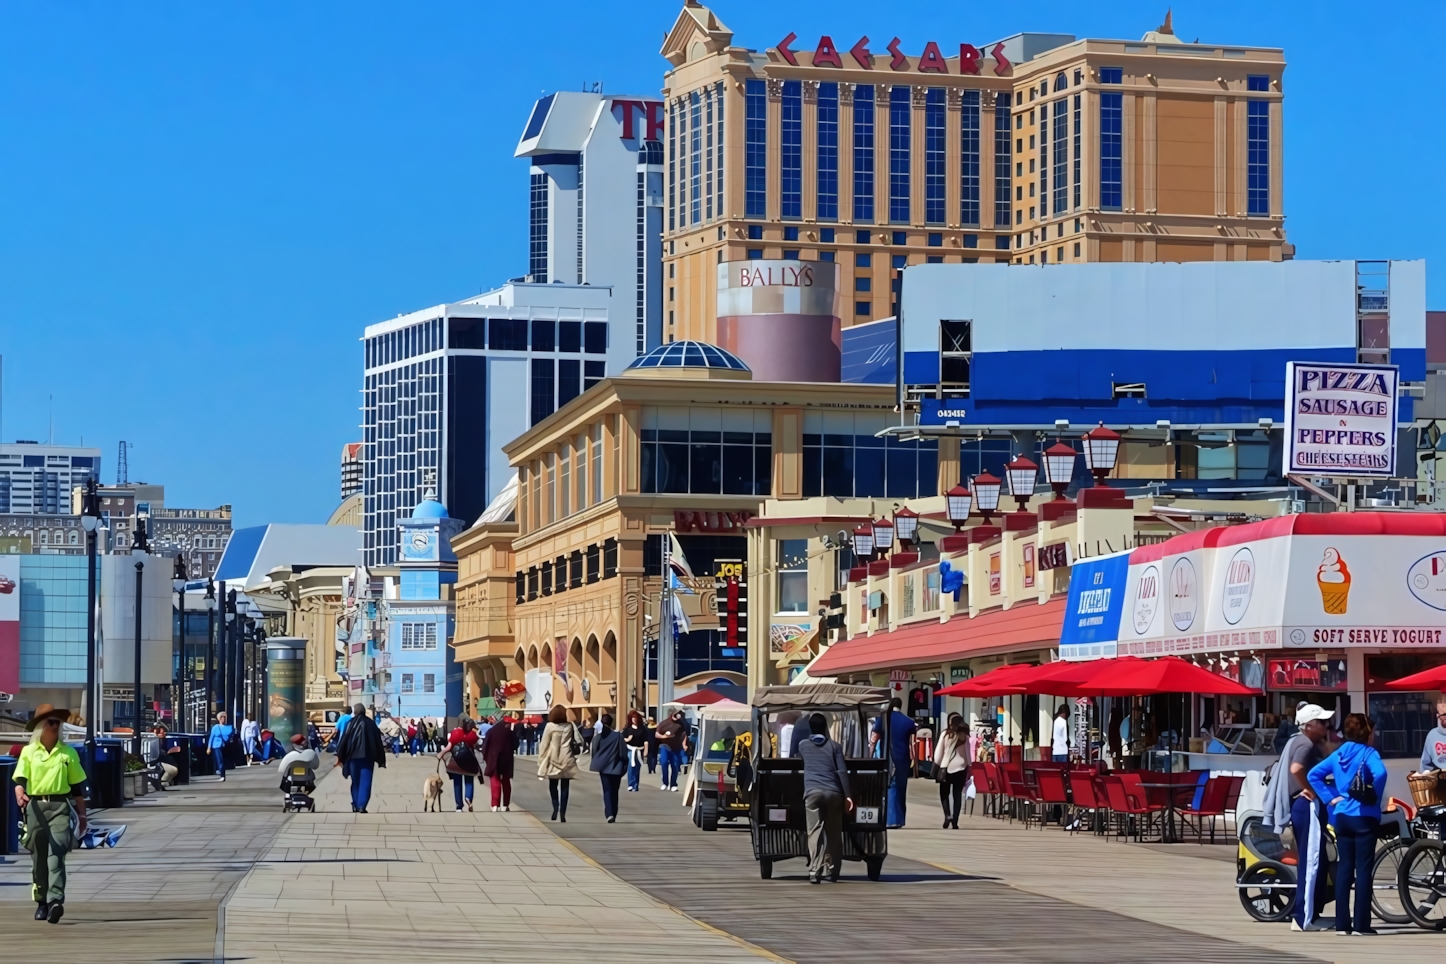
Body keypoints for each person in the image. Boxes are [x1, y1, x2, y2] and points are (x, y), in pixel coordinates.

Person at [1308, 712, 1388, 936]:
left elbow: (1314, 775)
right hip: (1365, 817)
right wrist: (1373, 794)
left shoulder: (1339, 753)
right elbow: (1380, 773)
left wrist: (1330, 798)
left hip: (1342, 817)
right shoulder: (1369, 753)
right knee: (1363, 871)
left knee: (1344, 868)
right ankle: (1362, 924)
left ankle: (1343, 924)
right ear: (1366, 733)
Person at [13, 704, 88, 923]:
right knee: (39, 858)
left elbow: (77, 788)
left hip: (59, 807)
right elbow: (20, 779)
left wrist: (83, 817)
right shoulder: (29, 752)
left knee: (57, 854)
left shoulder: (68, 753)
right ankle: (41, 901)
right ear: (40, 726)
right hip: (35, 807)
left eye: (57, 722)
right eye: (50, 722)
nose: (54, 726)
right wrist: (19, 792)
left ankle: (56, 900)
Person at [1262, 703, 1334, 931]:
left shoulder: (1296, 739)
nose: (1326, 725)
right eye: (1322, 722)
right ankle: (1303, 917)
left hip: (1299, 805)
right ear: (1309, 725)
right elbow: (1295, 769)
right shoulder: (1304, 743)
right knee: (1311, 860)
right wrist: (1309, 789)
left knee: (1314, 858)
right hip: (1306, 805)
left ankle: (1310, 914)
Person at [797, 713, 853, 884]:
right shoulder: (835, 747)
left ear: (811, 728)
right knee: (834, 833)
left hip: (813, 793)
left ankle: (815, 870)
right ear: (826, 727)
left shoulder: (803, 745)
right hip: (834, 793)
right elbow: (842, 772)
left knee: (815, 832)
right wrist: (848, 796)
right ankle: (832, 869)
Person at [869, 698, 917, 829]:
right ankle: (900, 819)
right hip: (903, 759)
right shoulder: (908, 722)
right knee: (901, 788)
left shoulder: (883, 719)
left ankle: (890, 819)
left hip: (888, 757)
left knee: (890, 787)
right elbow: (913, 741)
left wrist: (870, 755)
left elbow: (874, 739)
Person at [335, 704, 387, 813]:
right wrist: (381, 759)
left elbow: (344, 740)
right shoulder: (371, 724)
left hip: (352, 757)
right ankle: (361, 805)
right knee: (365, 781)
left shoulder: (350, 723)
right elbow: (378, 742)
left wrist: (341, 756)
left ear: (354, 712)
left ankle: (355, 803)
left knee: (355, 781)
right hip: (367, 757)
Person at [536, 705, 580, 822]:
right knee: (565, 787)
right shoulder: (569, 726)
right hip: (566, 757)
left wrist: (541, 759)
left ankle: (555, 807)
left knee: (553, 785)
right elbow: (576, 740)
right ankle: (563, 812)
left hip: (553, 759)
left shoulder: (550, 726)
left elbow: (544, 743)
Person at [933, 713, 970, 830]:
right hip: (961, 768)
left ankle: (947, 815)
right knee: (957, 794)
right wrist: (969, 766)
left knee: (944, 793)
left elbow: (938, 754)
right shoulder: (965, 736)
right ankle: (955, 820)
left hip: (946, 767)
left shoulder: (945, 734)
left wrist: (938, 764)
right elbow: (969, 755)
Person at [439, 717, 482, 812]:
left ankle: (459, 806)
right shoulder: (473, 735)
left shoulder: (456, 733)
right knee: (469, 781)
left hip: (456, 762)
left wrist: (441, 754)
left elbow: (449, 747)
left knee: (457, 783)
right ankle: (468, 797)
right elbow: (477, 746)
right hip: (469, 761)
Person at [590, 713, 627, 822]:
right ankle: (613, 813)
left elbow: (594, 752)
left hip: (603, 768)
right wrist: (624, 765)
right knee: (615, 791)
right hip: (617, 767)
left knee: (607, 790)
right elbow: (623, 753)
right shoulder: (618, 736)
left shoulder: (598, 737)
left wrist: (597, 763)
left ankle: (609, 813)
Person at [481, 714, 517, 811]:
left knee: (495, 780)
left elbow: (485, 746)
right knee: (506, 781)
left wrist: (487, 758)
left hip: (493, 758)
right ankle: (505, 805)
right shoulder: (509, 731)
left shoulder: (491, 731)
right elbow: (516, 745)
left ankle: (495, 805)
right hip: (507, 758)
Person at [277, 733, 320, 797]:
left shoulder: (289, 756)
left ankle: (288, 795)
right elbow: (315, 766)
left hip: (292, 779)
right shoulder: (311, 754)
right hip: (307, 779)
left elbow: (281, 770)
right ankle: (306, 794)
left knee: (285, 778)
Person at [655, 710, 688, 792]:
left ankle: (673, 784)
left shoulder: (681, 724)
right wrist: (663, 737)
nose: (677, 717)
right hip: (665, 746)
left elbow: (684, 735)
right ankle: (665, 783)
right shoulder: (664, 723)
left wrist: (684, 744)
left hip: (676, 747)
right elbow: (656, 734)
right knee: (664, 763)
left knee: (675, 766)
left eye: (678, 715)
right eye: (675, 715)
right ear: (671, 714)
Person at [146, 724, 182, 790]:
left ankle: (162, 782)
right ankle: (161, 782)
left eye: (163, 731)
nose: (162, 733)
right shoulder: (152, 742)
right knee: (173, 770)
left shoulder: (165, 741)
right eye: (159, 731)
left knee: (173, 770)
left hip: (164, 761)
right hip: (158, 762)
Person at [621, 711, 648, 792]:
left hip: (639, 750)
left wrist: (646, 750)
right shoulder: (627, 729)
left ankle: (635, 785)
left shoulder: (642, 729)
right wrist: (627, 739)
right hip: (630, 750)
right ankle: (630, 784)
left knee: (637, 768)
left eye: (636, 718)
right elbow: (621, 738)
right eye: (633, 718)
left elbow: (646, 740)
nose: (634, 720)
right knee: (631, 766)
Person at [207, 711, 235, 781]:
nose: (223, 719)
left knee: (224, 760)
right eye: (221, 718)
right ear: (219, 719)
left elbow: (232, 736)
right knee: (220, 760)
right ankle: (222, 775)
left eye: (224, 718)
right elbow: (211, 737)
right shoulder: (215, 727)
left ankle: (221, 771)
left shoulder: (230, 727)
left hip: (225, 746)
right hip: (216, 746)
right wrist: (209, 747)